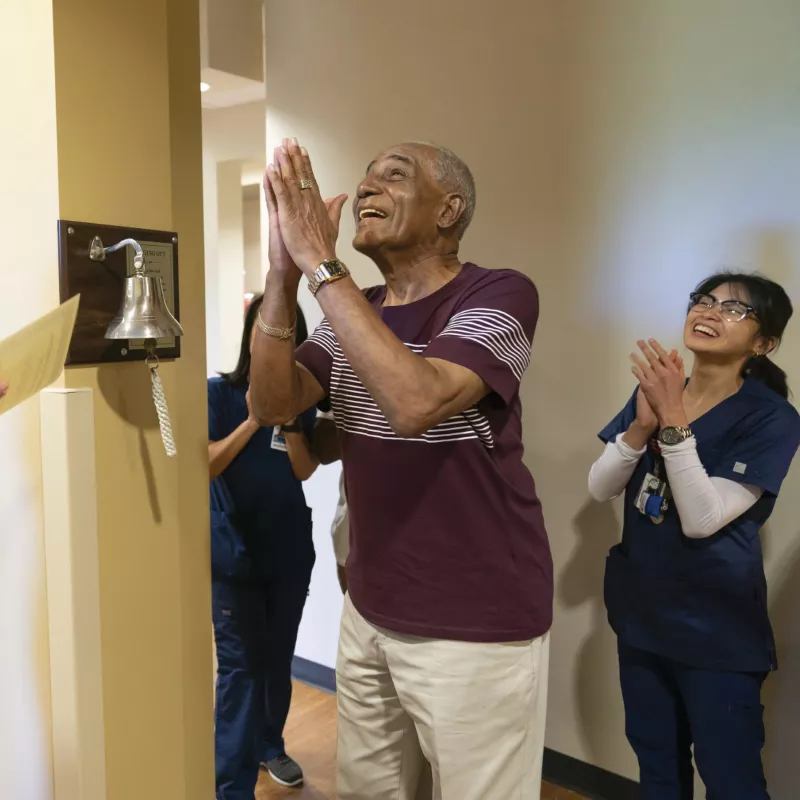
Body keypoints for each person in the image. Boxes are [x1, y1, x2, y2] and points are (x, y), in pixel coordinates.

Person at [249, 138, 553, 800]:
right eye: (364, 178)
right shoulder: (355, 308)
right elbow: (271, 404)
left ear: (449, 210)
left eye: (393, 175)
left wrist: (321, 263)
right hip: (372, 607)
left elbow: (418, 402)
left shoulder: (499, 294)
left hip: (475, 619)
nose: (365, 188)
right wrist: (282, 275)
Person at [588, 273, 800, 799]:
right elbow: (600, 488)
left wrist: (673, 419)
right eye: (704, 301)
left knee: (731, 779)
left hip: (715, 632)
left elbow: (701, 518)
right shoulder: (658, 391)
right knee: (656, 765)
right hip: (642, 618)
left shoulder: (772, 418)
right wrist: (639, 428)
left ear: (763, 343)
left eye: (734, 309)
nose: (708, 311)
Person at [208, 296, 319, 799]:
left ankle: (269, 746)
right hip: (234, 554)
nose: (275, 343)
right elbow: (205, 464)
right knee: (240, 668)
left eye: (288, 336)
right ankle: (231, 784)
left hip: (290, 551)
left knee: (278, 659)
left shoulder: (305, 403)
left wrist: (288, 416)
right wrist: (255, 418)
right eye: (266, 332)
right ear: (251, 337)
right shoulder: (217, 394)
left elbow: (304, 468)